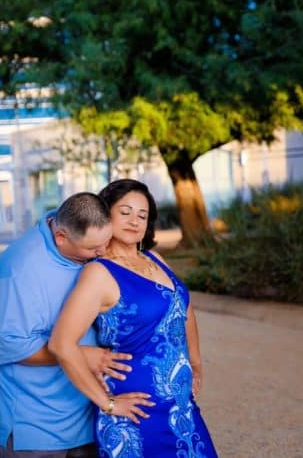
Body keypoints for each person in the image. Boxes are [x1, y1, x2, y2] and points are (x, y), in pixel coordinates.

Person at [49, 179, 218, 457]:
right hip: (136, 413)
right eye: (125, 212)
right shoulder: (99, 273)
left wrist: (196, 361)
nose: (134, 221)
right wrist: (109, 404)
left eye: (142, 215)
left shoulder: (155, 258)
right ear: (106, 214)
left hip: (181, 406)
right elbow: (60, 344)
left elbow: (184, 309)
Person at [0, 192, 139, 457]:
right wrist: (83, 354)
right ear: (61, 237)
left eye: (105, 242)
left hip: (87, 416)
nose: (102, 253)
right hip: (36, 429)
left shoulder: (87, 248)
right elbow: (6, 345)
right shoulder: (18, 270)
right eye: (93, 249)